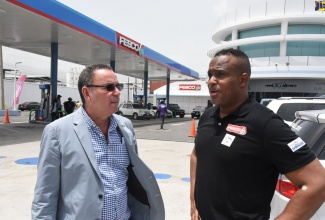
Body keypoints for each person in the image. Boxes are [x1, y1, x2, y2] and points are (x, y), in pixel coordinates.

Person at [190, 48, 325, 220]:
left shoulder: (265, 124)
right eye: (209, 75)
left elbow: (318, 183)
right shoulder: (207, 116)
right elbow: (197, 154)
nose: (211, 81)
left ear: (243, 79)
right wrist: (193, 198)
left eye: (220, 74)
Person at [32, 64, 165, 220]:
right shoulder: (57, 131)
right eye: (109, 87)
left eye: (118, 86)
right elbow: (45, 195)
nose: (117, 92)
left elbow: (133, 180)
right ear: (87, 93)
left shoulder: (125, 127)